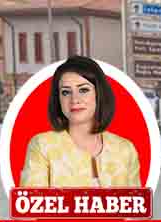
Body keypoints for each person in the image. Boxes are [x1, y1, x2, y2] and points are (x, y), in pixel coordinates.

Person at [20, 56, 141, 188]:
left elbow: (137, 205)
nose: (74, 99)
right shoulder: (43, 146)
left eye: (83, 90)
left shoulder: (125, 149)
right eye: (66, 92)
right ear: (58, 99)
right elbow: (31, 205)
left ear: (99, 94)